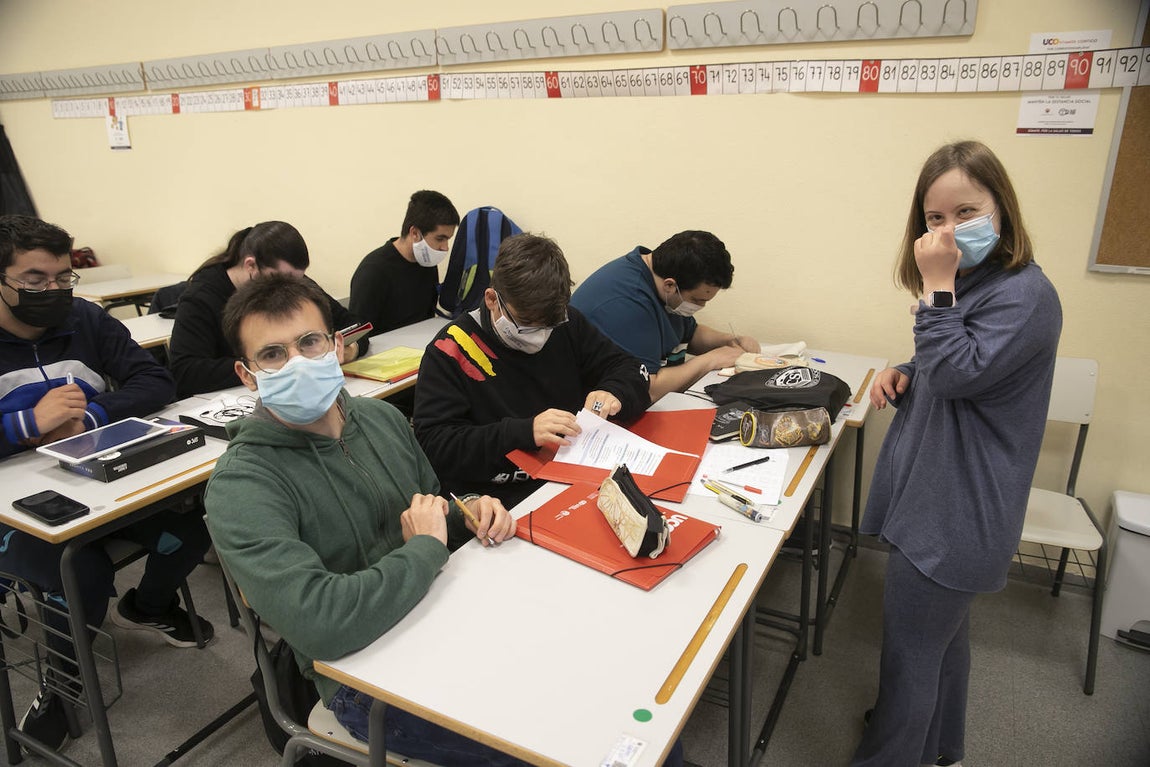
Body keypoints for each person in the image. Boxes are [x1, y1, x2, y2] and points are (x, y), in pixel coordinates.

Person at [203, 273, 533, 765]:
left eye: (309, 343)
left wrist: (469, 510)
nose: (297, 363)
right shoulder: (243, 484)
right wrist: (424, 549)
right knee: (551, 744)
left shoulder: (382, 419)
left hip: (439, 611)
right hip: (362, 683)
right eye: (272, 354)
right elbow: (322, 624)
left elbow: (432, 507)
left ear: (337, 346)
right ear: (248, 375)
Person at [854, 140, 1062, 767]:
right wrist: (907, 368)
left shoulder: (1027, 294)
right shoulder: (980, 282)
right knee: (940, 640)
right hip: (935, 488)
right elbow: (954, 362)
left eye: (966, 213)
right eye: (934, 218)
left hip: (957, 507)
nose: (947, 231)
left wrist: (937, 287)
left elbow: (957, 372)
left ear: (1003, 208)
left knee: (911, 653)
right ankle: (940, 747)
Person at [0, 215, 213, 750]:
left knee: (193, 524)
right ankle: (63, 683)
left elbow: (155, 379)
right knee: (80, 570)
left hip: (95, 478)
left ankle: (148, 606)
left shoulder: (85, 319)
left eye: (63, 278)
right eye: (34, 280)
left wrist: (90, 418)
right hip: (13, 508)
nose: (53, 291)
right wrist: (25, 424)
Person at [413, 233, 651, 509]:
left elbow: (629, 367)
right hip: (499, 499)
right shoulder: (451, 349)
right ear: (492, 299)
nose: (540, 336)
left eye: (548, 326)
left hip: (571, 478)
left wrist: (614, 392)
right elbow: (436, 445)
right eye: (526, 324)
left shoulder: (566, 322)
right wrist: (523, 432)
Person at [169, 220, 366, 397]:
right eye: (282, 278)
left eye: (298, 279)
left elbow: (356, 326)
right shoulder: (201, 298)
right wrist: (268, 367)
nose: (289, 287)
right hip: (238, 398)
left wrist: (347, 350)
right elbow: (185, 372)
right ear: (251, 266)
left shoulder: (290, 281)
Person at [570, 230, 759, 402]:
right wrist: (711, 360)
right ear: (670, 285)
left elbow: (690, 333)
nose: (700, 307)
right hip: (598, 407)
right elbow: (647, 388)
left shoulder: (662, 276)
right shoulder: (626, 304)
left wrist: (728, 341)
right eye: (697, 300)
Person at [349, 189, 460, 335]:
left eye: (448, 240)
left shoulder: (427, 264)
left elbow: (427, 318)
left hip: (419, 342)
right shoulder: (373, 271)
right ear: (414, 233)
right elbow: (357, 335)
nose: (445, 247)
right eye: (440, 239)